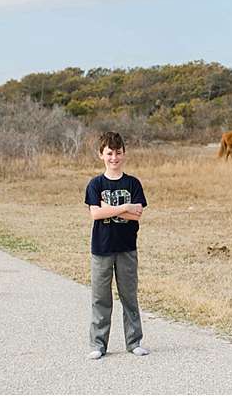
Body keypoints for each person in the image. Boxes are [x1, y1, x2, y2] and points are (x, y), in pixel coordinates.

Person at [84, 131, 149, 359]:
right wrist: (125, 208)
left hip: (127, 248)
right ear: (101, 154)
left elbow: (137, 213)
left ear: (124, 154)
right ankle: (98, 345)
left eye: (118, 153)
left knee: (129, 296)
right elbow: (95, 214)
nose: (114, 158)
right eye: (109, 153)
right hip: (101, 249)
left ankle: (134, 342)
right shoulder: (95, 184)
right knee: (101, 297)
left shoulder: (132, 183)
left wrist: (109, 209)